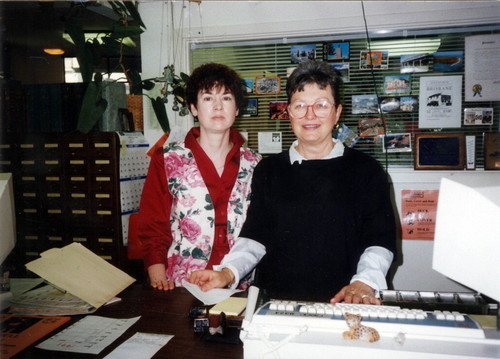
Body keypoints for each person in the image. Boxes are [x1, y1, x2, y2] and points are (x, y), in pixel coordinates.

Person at [239, 60, 397, 304]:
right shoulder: (268, 170)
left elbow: (379, 240)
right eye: (300, 105)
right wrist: (227, 271)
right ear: (289, 112)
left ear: (337, 113)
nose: (310, 115)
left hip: (345, 299)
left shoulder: (367, 171)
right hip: (275, 303)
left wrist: (364, 282)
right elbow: (255, 235)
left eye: (321, 105)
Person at [138, 63, 264, 292]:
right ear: (194, 108)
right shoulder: (167, 159)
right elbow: (152, 226)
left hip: (238, 282)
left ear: (237, 109)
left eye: (226, 98)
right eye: (207, 98)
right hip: (181, 283)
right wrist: (157, 277)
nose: (218, 106)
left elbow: (260, 230)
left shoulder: (255, 163)